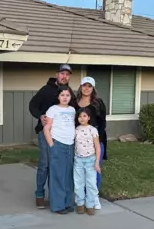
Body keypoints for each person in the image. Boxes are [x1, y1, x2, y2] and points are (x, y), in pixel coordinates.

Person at [29, 64, 76, 209]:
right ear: (57, 74)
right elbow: (32, 105)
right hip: (46, 133)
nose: (64, 77)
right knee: (45, 164)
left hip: (63, 137)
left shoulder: (69, 93)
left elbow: (75, 112)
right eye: (62, 73)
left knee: (60, 167)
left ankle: (56, 197)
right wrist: (40, 115)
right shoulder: (45, 90)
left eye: (67, 74)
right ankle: (39, 194)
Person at [75, 76, 107, 210]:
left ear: (93, 88)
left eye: (89, 86)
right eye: (84, 85)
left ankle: (94, 198)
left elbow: (102, 124)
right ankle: (82, 199)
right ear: (81, 87)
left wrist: (97, 143)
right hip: (79, 145)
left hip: (95, 142)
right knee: (81, 174)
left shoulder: (98, 103)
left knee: (95, 171)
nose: (86, 88)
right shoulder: (74, 103)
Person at [43, 85, 76, 214]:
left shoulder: (73, 110)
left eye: (67, 95)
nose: (65, 97)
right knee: (57, 175)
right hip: (58, 144)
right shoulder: (52, 109)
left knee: (68, 175)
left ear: (70, 97)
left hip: (70, 145)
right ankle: (57, 205)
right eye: (62, 95)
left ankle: (68, 203)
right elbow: (46, 128)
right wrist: (51, 144)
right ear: (58, 96)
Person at [74, 107, 101, 216]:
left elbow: (97, 147)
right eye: (80, 116)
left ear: (89, 117)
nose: (82, 118)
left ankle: (90, 204)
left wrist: (97, 162)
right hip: (78, 160)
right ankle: (80, 204)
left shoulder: (93, 130)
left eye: (84, 116)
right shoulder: (75, 130)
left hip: (90, 160)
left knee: (91, 183)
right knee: (78, 183)